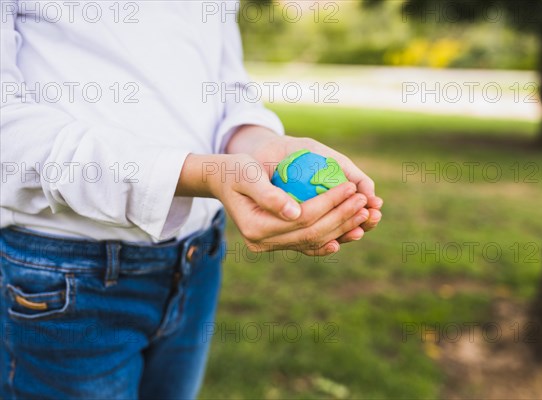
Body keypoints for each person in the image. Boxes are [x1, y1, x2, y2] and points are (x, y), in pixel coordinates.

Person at [0, 1, 382, 398]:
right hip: (66, 280)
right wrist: (197, 173)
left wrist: (264, 146)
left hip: (199, 260)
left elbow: (226, 91)